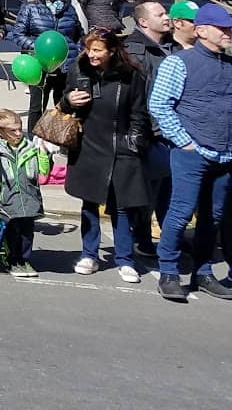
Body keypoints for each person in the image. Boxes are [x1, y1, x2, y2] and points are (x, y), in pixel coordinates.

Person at [147, 1, 232, 303]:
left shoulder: (229, 64)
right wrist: (184, 142)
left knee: (214, 217)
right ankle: (169, 272)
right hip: (191, 153)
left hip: (225, 156)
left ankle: (203, 273)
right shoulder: (178, 62)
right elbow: (159, 105)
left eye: (229, 28)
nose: (228, 33)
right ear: (202, 31)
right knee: (181, 212)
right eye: (222, 28)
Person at [62, 28, 150, 283]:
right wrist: (69, 100)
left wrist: (133, 143)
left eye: (97, 50)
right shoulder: (78, 70)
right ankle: (89, 255)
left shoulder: (131, 75)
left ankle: (125, 260)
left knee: (122, 206)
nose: (91, 54)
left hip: (121, 146)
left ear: (111, 51)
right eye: (88, 49)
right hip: (88, 145)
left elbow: (139, 113)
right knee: (89, 203)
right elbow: (62, 103)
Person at [123, 0, 182, 253]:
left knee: (169, 187)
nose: (167, 17)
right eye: (160, 14)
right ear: (144, 22)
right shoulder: (135, 51)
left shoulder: (172, 46)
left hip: (173, 130)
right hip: (150, 131)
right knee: (148, 189)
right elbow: (137, 95)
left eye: (165, 12)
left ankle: (170, 239)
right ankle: (142, 238)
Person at [10, 0, 81, 134]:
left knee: (64, 105)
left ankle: (61, 139)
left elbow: (78, 35)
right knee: (37, 106)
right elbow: (18, 35)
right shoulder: (30, 8)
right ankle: (34, 140)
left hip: (64, 64)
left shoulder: (68, 8)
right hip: (38, 65)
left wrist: (77, 52)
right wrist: (39, 48)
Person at [0, 107, 49, 278]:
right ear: (0, 132)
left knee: (27, 234)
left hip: (29, 199)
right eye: (13, 130)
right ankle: (12, 260)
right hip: (8, 201)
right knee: (12, 233)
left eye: (20, 129)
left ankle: (24, 260)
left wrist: (43, 154)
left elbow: (43, 175)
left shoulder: (31, 147)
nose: (18, 133)